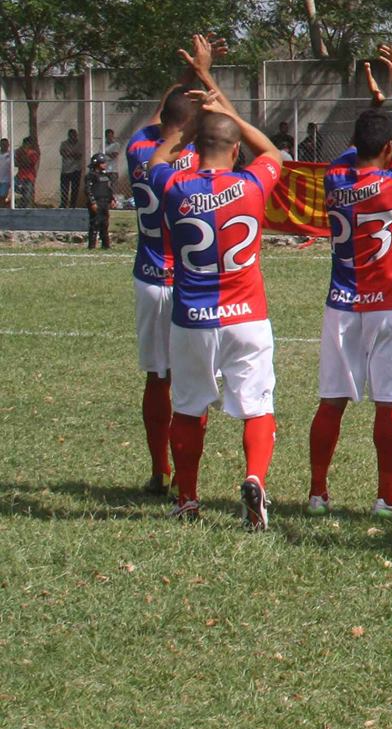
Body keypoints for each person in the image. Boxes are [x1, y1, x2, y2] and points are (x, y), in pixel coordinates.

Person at [146, 59, 284, 528]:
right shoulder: (252, 184)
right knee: (257, 406)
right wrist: (228, 115)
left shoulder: (174, 186)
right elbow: (272, 152)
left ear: (196, 146)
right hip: (247, 317)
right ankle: (255, 478)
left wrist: (185, 132)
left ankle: (187, 498)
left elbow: (155, 162)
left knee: (187, 407)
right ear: (235, 148)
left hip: (192, 318)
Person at [308, 44, 392, 519]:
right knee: (388, 403)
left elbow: (355, 152)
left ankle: (318, 493)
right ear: (388, 150)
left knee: (331, 401)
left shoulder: (334, 178)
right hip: (389, 305)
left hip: (341, 302)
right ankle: (386, 497)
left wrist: (373, 108)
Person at [126, 45, 207, 494]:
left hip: (150, 276)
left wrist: (185, 78)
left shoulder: (138, 149)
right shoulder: (199, 158)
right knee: (192, 384)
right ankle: (187, 480)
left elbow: (163, 115)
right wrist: (203, 75)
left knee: (158, 378)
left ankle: (160, 471)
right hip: (191, 283)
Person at [83, 151, 114, 250]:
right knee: (95, 223)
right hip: (97, 202)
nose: (105, 164)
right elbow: (88, 190)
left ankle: (106, 245)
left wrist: (112, 199)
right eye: (103, 162)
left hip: (105, 202)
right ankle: (92, 246)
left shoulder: (105, 176)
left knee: (104, 223)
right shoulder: (91, 176)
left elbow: (109, 189)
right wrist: (92, 202)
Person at [58, 129, 82, 207]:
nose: (73, 137)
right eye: (71, 135)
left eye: (74, 135)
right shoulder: (64, 144)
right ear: (68, 136)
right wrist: (72, 154)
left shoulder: (79, 144)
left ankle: (73, 205)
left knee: (75, 189)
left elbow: (79, 155)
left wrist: (69, 153)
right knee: (64, 188)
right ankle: (63, 204)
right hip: (65, 170)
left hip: (76, 170)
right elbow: (63, 153)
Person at [15, 134, 39, 206]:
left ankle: (25, 205)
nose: (25, 145)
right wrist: (22, 162)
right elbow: (16, 163)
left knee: (27, 195)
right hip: (20, 175)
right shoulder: (19, 152)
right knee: (13, 185)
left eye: (27, 144)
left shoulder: (33, 153)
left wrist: (23, 158)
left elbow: (30, 163)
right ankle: (22, 196)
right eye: (24, 144)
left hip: (29, 176)